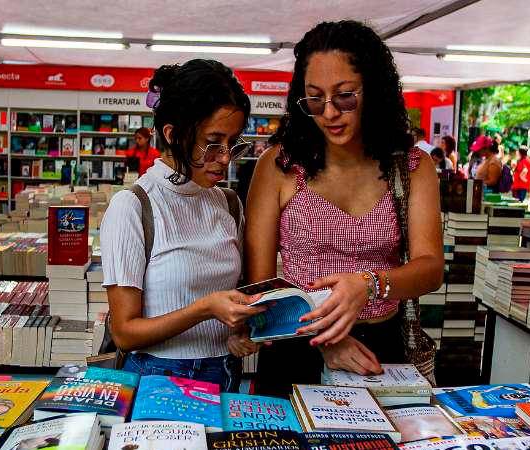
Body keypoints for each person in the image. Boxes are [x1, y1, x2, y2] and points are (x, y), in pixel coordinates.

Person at [245, 20, 444, 396]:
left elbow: (430, 267)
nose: (330, 113)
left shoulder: (412, 167)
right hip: (296, 345)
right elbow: (261, 287)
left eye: (345, 96)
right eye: (315, 99)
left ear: (375, 91)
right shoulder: (279, 166)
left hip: (381, 349)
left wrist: (368, 285)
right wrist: (326, 339)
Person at [101, 59, 262, 393]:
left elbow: (237, 292)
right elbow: (125, 332)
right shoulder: (133, 206)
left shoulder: (228, 203)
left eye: (233, 142)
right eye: (213, 142)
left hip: (225, 372)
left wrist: (238, 331)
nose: (225, 157)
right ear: (174, 134)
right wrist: (204, 309)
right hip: (158, 376)